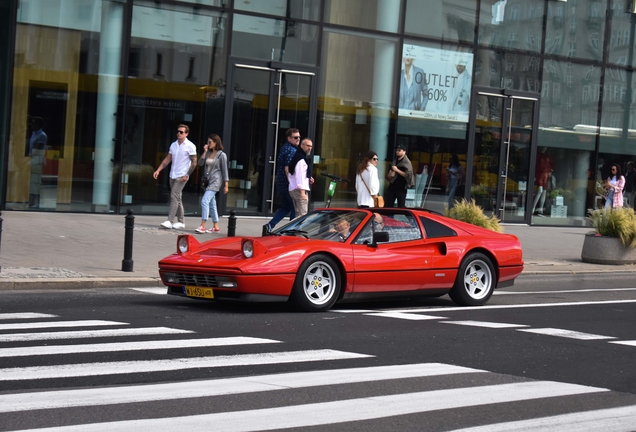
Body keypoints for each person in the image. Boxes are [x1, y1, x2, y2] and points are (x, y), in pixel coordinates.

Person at [153, 124, 197, 229]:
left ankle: (170, 220)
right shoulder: (173, 145)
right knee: (178, 198)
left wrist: (187, 175)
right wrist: (158, 170)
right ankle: (181, 222)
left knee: (173, 196)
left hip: (182, 175)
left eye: (181, 132)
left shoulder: (190, 145)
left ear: (186, 134)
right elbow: (167, 159)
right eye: (178, 131)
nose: (179, 133)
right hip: (173, 174)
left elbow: (194, 162)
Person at [263, 128, 301, 233]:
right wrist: (292, 184)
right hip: (288, 184)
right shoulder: (291, 150)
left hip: (281, 183)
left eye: (299, 137)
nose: (298, 139)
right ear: (289, 138)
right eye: (295, 137)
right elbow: (287, 168)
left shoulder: (285, 147)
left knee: (286, 207)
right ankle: (292, 232)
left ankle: (270, 225)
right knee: (294, 209)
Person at [195, 134, 229, 234]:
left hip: (216, 181)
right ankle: (216, 226)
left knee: (205, 200)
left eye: (210, 142)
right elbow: (200, 163)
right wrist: (204, 152)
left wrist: (226, 185)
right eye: (208, 142)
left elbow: (225, 170)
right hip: (207, 181)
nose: (208, 144)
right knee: (211, 203)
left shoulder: (221, 155)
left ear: (216, 142)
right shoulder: (208, 152)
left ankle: (203, 225)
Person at [288, 138, 313, 219]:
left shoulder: (298, 156)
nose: (310, 148)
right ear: (302, 146)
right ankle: (298, 231)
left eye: (311, 146)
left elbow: (298, 174)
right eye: (307, 146)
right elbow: (300, 176)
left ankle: (295, 231)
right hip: (299, 190)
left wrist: (309, 177)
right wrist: (302, 193)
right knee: (302, 216)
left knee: (298, 215)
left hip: (294, 189)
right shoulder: (301, 159)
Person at [385, 144, 415, 208]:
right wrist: (390, 175)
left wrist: (397, 170)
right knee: (388, 206)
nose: (397, 151)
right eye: (396, 150)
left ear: (404, 152)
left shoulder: (407, 162)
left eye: (399, 150)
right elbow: (388, 175)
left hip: (401, 188)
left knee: (401, 207)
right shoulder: (394, 162)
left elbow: (408, 175)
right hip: (392, 187)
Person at [28, 117, 48, 208]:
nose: (32, 125)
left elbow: (39, 149)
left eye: (34, 123)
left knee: (36, 183)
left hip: (37, 160)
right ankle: (31, 202)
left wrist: (31, 157)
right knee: (32, 183)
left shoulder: (42, 135)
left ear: (38, 125)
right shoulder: (33, 134)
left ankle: (37, 202)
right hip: (32, 159)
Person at [532, 147, 554, 216]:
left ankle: (540, 209)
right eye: (543, 148)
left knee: (544, 192)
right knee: (540, 191)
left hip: (546, 176)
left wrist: (550, 171)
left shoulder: (547, 157)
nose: (544, 149)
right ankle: (533, 208)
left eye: (545, 148)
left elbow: (552, 165)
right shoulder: (538, 156)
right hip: (540, 175)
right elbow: (535, 165)